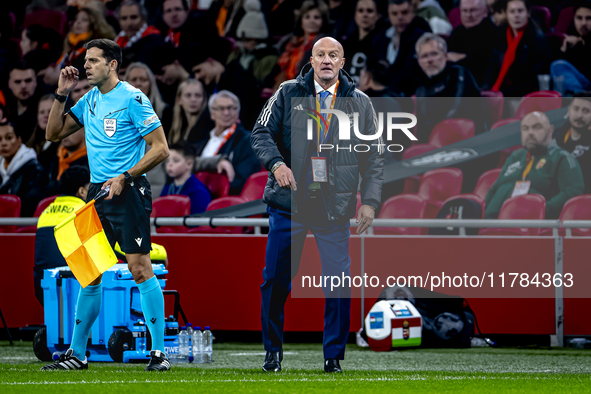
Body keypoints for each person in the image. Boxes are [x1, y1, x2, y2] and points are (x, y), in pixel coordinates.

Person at [251, 37, 384, 373]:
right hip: (289, 204)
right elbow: (260, 133)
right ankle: (272, 352)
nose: (327, 60)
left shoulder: (361, 103)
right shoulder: (287, 92)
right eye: (321, 55)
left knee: (338, 282)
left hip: (333, 208)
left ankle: (333, 356)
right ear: (311, 60)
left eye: (333, 55)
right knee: (275, 281)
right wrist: (277, 164)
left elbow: (374, 158)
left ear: (342, 63)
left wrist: (369, 201)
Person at [42, 39, 171, 371]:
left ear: (113, 65)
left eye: (94, 61)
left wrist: (125, 176)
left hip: (128, 192)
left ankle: (158, 354)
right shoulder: (88, 100)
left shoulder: (133, 99)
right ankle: (77, 354)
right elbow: (53, 133)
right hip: (97, 194)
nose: (86, 66)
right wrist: (62, 92)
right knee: (89, 273)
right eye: (86, 61)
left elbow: (160, 149)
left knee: (139, 268)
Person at [34, 166, 169, 306]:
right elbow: (121, 246)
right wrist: (161, 253)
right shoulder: (85, 214)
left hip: (45, 290)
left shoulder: (45, 212)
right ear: (82, 191)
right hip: (77, 286)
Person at [484, 111, 584, 219]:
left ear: (550, 130)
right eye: (525, 128)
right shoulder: (515, 156)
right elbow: (495, 188)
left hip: (534, 227)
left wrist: (538, 211)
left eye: (537, 127)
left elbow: (573, 192)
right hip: (492, 224)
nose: (530, 133)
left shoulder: (562, 157)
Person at [414, 33, 481, 140]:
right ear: (419, 61)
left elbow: (458, 110)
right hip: (434, 144)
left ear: (445, 56)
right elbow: (421, 129)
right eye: (424, 56)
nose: (429, 60)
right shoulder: (421, 89)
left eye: (434, 54)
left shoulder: (459, 73)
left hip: (466, 138)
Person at [194, 90, 261, 195]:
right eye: (221, 108)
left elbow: (243, 179)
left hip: (224, 200)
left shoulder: (247, 140)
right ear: (212, 114)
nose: (226, 113)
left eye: (231, 108)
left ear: (238, 112)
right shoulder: (201, 141)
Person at [484, 0, 550, 97]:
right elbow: (493, 67)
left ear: (528, 13)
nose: (516, 15)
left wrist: (503, 94)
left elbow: (531, 81)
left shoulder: (537, 39)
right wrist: (486, 89)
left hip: (520, 95)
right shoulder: (501, 33)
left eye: (520, 11)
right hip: (499, 91)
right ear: (507, 14)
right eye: (512, 11)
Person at [372, 0, 431, 96]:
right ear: (389, 16)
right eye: (394, 13)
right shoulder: (380, 39)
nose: (399, 17)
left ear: (413, 12)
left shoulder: (423, 37)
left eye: (404, 12)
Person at [161, 143, 234, 213]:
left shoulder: (198, 191)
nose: (169, 164)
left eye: (176, 161)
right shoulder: (169, 187)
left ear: (189, 164)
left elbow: (197, 222)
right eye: (167, 161)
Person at [276, 0, 331, 85]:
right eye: (307, 17)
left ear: (323, 21)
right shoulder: (290, 42)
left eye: (316, 17)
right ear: (301, 20)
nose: (311, 21)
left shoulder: (325, 45)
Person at [447, 0, 497, 87]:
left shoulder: (494, 33)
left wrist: (462, 58)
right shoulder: (456, 33)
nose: (468, 15)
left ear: (485, 12)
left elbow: (484, 62)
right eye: (464, 11)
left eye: (473, 10)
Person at [0, 122, 42, 217]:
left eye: (9, 138)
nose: (3, 143)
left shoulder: (34, 169)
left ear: (19, 140)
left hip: (21, 227)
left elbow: (31, 205)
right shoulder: (1, 169)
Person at [550, 1, 591, 95]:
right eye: (579, 18)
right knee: (558, 66)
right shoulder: (572, 38)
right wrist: (564, 49)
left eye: (589, 18)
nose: (583, 23)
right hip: (580, 87)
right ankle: (578, 94)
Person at [553, 93, 591, 194]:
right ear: (569, 110)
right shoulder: (556, 136)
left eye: (586, 111)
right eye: (576, 109)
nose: (580, 115)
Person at [342, 0, 384, 85]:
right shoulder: (347, 43)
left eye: (370, 11)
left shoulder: (383, 42)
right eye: (360, 11)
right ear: (355, 15)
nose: (365, 15)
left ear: (378, 15)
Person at [162, 79, 213, 145]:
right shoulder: (174, 124)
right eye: (188, 95)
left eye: (198, 95)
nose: (193, 99)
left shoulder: (209, 125)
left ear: (204, 99)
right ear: (179, 99)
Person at [6, 61, 45, 143]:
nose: (23, 86)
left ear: (35, 82)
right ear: (9, 83)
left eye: (28, 81)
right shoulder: (5, 104)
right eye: (17, 81)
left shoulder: (46, 103)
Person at [44, 128, 89, 197]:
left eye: (70, 127)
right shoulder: (53, 159)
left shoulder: (93, 163)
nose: (64, 132)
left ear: (84, 130)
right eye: (62, 128)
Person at [26, 94, 60, 170]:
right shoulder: (30, 145)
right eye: (42, 112)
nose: (46, 115)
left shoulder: (65, 142)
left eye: (50, 111)